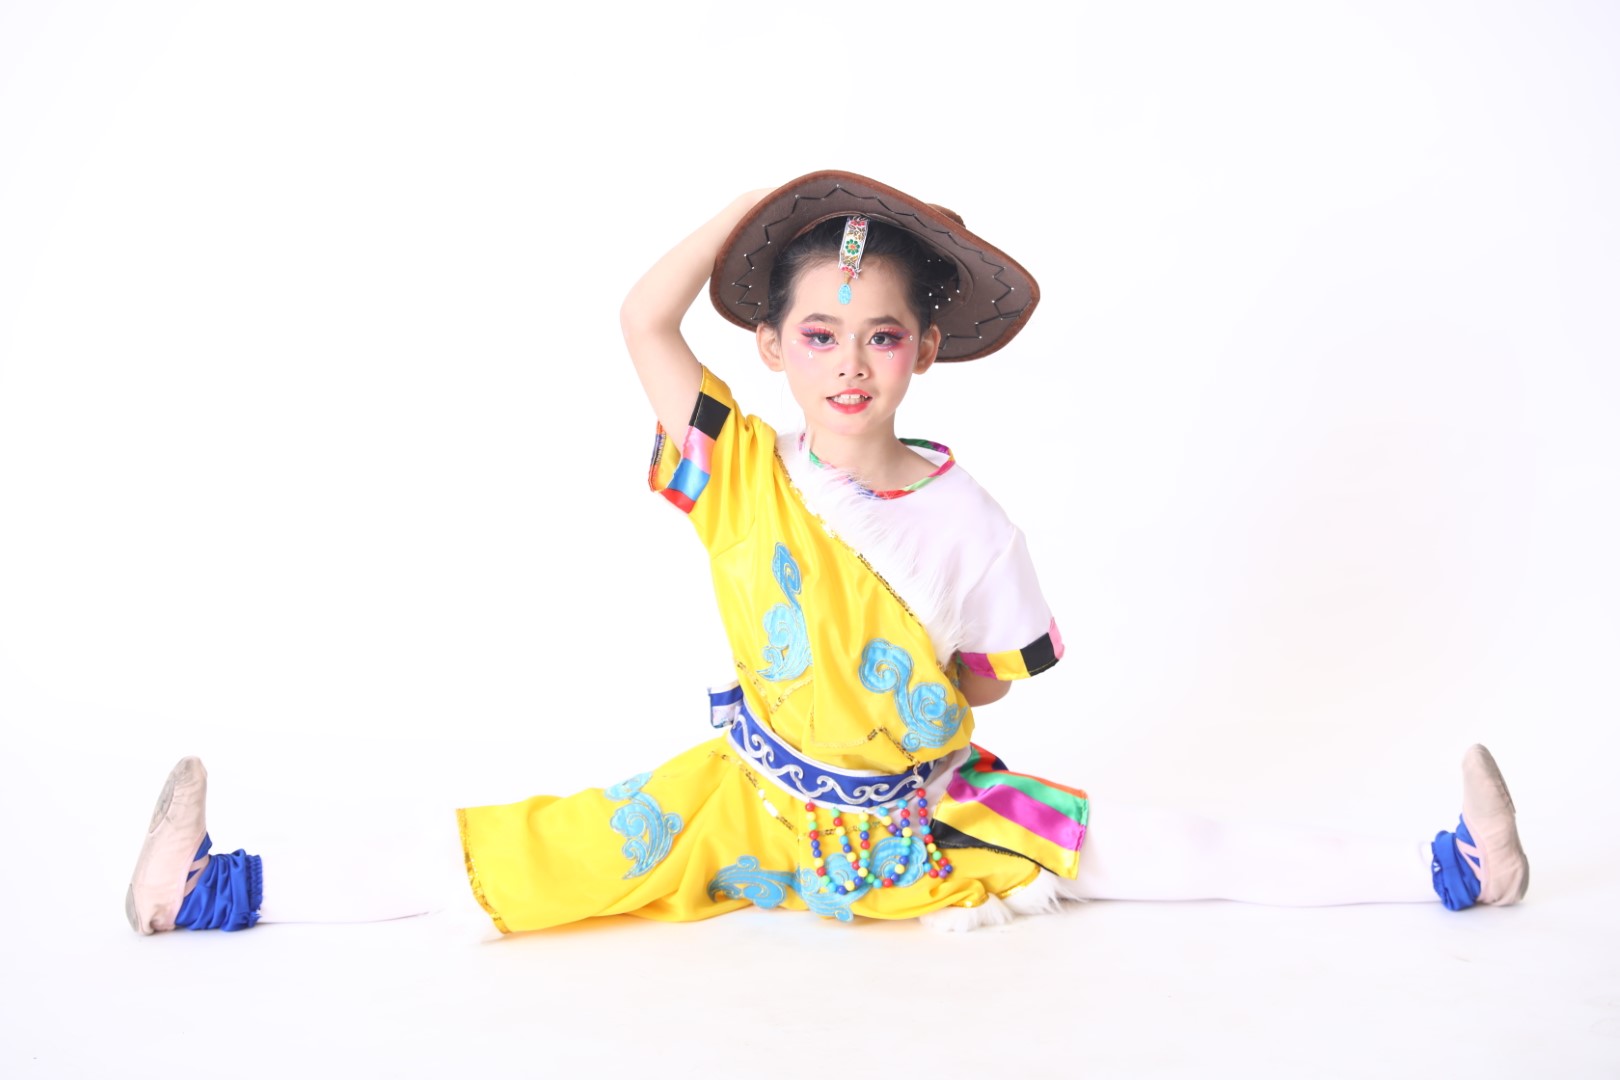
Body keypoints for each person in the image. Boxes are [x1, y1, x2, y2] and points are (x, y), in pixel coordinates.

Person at [124, 170, 1530, 938]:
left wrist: (897, 712)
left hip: (924, 816)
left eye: (880, 335)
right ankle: (210, 891)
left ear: (924, 350)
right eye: (818, 332)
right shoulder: (743, 468)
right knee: (515, 852)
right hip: (746, 800)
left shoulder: (974, 523)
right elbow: (640, 322)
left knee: (1166, 847)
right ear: (771, 348)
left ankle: (1457, 869)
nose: (850, 362)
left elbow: (987, 681)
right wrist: (751, 209)